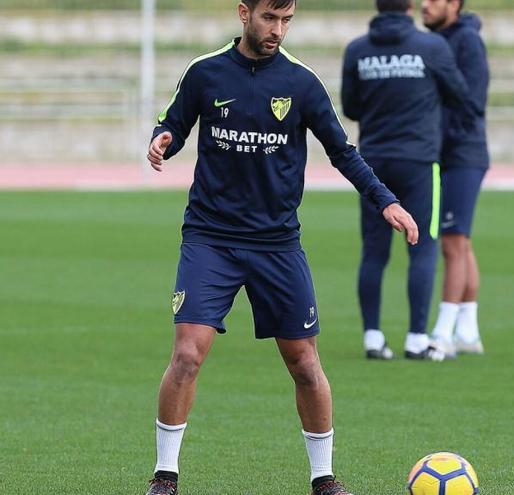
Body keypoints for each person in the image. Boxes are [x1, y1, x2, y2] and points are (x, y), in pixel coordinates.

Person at [144, 1, 418, 494]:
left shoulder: (301, 83)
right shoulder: (205, 72)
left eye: (287, 20)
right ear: (244, 13)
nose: (278, 30)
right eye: (270, 18)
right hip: (211, 238)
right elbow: (175, 123)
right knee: (187, 355)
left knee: (305, 363)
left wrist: (386, 202)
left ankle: (323, 479)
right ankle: (165, 475)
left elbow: (342, 151)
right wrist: (162, 138)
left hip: (276, 244)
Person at [341, 0, 479, 361]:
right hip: (419, 160)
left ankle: (373, 337)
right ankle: (417, 337)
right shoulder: (432, 47)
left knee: (373, 251)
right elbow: (461, 93)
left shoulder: (357, 49)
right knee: (423, 246)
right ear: (409, 7)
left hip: (371, 164)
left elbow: (351, 107)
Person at [421, 0, 491, 359]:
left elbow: (472, 101)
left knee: (451, 241)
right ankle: (468, 330)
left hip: (462, 154)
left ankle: (443, 332)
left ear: (454, 4)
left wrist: (438, 135)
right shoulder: (439, 40)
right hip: (448, 153)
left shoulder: (466, 41)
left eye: (434, 0)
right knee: (461, 243)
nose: (424, 5)